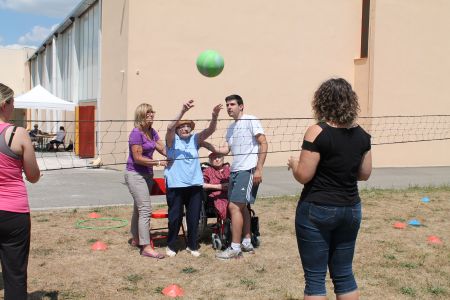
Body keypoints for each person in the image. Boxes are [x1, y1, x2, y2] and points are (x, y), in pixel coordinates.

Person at [287, 78, 372, 299]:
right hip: (350, 209)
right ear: (350, 101)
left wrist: (294, 165)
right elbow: (364, 174)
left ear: (321, 102)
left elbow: (304, 175)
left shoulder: (317, 131)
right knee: (344, 275)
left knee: (315, 279)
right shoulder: (362, 134)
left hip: (318, 208)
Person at [206, 94, 268, 259]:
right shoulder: (231, 127)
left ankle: (235, 248)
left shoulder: (250, 120)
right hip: (235, 170)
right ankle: (247, 242)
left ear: (241, 106)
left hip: (248, 170)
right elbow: (225, 150)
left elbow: (263, 142)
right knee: (241, 208)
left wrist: (259, 169)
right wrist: (206, 144)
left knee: (234, 207)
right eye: (227, 105)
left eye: (232, 104)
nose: (229, 107)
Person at [164, 100, 222, 257]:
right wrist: (182, 110)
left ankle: (192, 245)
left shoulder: (195, 140)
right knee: (175, 218)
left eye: (187, 126)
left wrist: (214, 115)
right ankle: (171, 245)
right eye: (181, 126)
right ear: (177, 130)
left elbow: (210, 130)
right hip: (176, 185)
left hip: (194, 184)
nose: (185, 128)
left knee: (194, 217)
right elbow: (169, 127)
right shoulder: (172, 140)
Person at [0, 83, 41, 299]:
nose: (14, 106)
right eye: (13, 102)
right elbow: (33, 176)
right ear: (5, 104)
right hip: (13, 213)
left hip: (11, 211)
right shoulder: (18, 133)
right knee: (15, 275)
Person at [124, 103, 168, 259]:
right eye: (147, 112)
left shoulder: (152, 131)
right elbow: (137, 158)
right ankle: (146, 247)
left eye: (152, 112)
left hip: (147, 175)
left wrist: (175, 154)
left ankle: (136, 238)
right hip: (135, 174)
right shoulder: (136, 133)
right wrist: (158, 163)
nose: (151, 114)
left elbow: (162, 148)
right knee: (145, 210)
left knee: (139, 208)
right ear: (141, 115)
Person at [202, 152, 231, 221]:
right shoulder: (207, 171)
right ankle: (225, 223)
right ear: (210, 160)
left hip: (230, 194)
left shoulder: (229, 169)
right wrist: (219, 187)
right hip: (215, 196)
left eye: (219, 157)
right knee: (222, 204)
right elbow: (202, 185)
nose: (217, 159)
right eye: (214, 158)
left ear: (223, 159)